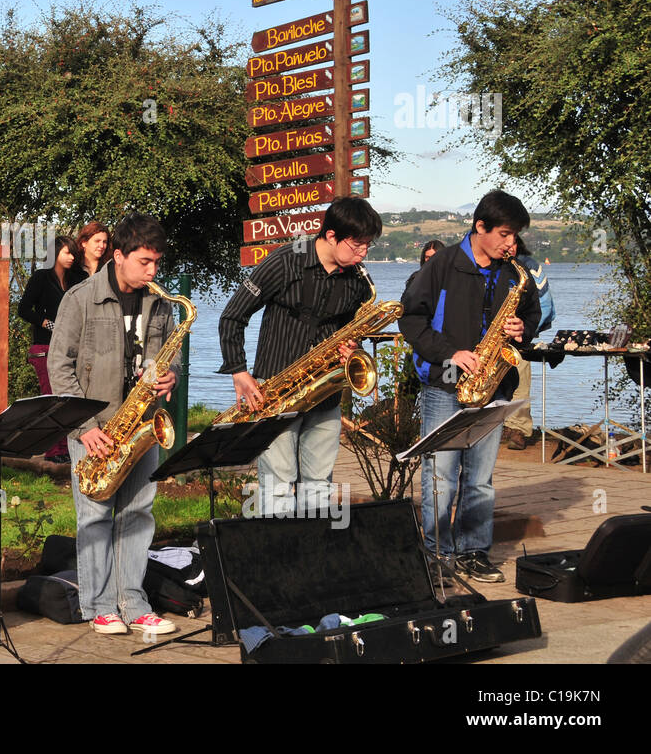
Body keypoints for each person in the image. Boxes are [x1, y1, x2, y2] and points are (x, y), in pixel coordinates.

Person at [399, 189, 541, 583]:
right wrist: (451, 353)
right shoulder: (442, 264)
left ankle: (475, 551)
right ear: (480, 227)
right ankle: (437, 555)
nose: (512, 244)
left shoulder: (515, 271)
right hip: (444, 384)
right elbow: (411, 320)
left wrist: (522, 329)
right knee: (440, 474)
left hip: (492, 386)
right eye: (505, 235)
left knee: (480, 478)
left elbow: (533, 314)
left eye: (515, 236)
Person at [48, 212, 178, 639]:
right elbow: (58, 367)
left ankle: (134, 602)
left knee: (139, 513)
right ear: (118, 256)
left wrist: (168, 376)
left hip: (140, 424)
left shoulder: (158, 302)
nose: (153, 271)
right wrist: (84, 427)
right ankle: (100, 606)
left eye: (157, 262)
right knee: (95, 516)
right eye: (144, 261)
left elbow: (166, 357)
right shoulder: (81, 298)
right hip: (96, 428)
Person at [217, 196, 383, 517]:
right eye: (357, 245)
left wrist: (353, 348)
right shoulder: (284, 261)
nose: (363, 253)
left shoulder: (357, 279)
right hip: (276, 391)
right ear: (331, 236)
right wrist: (239, 371)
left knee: (319, 485)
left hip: (326, 395)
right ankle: (277, 560)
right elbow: (232, 316)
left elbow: (352, 329)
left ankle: (313, 556)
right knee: (278, 484)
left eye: (367, 246)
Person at [17, 234, 81, 462]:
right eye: (66, 252)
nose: (71, 257)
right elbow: (23, 309)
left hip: (68, 348)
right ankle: (53, 451)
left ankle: (65, 449)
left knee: (67, 399)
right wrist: (49, 324)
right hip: (44, 346)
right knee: (52, 398)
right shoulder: (41, 278)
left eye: (74, 252)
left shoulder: (76, 279)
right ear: (54, 254)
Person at [503, 235, 555, 450]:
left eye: (513, 242)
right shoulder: (490, 266)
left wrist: (525, 329)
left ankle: (519, 429)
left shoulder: (530, 266)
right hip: (490, 337)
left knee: (520, 384)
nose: (509, 247)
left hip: (518, 338)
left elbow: (545, 305)